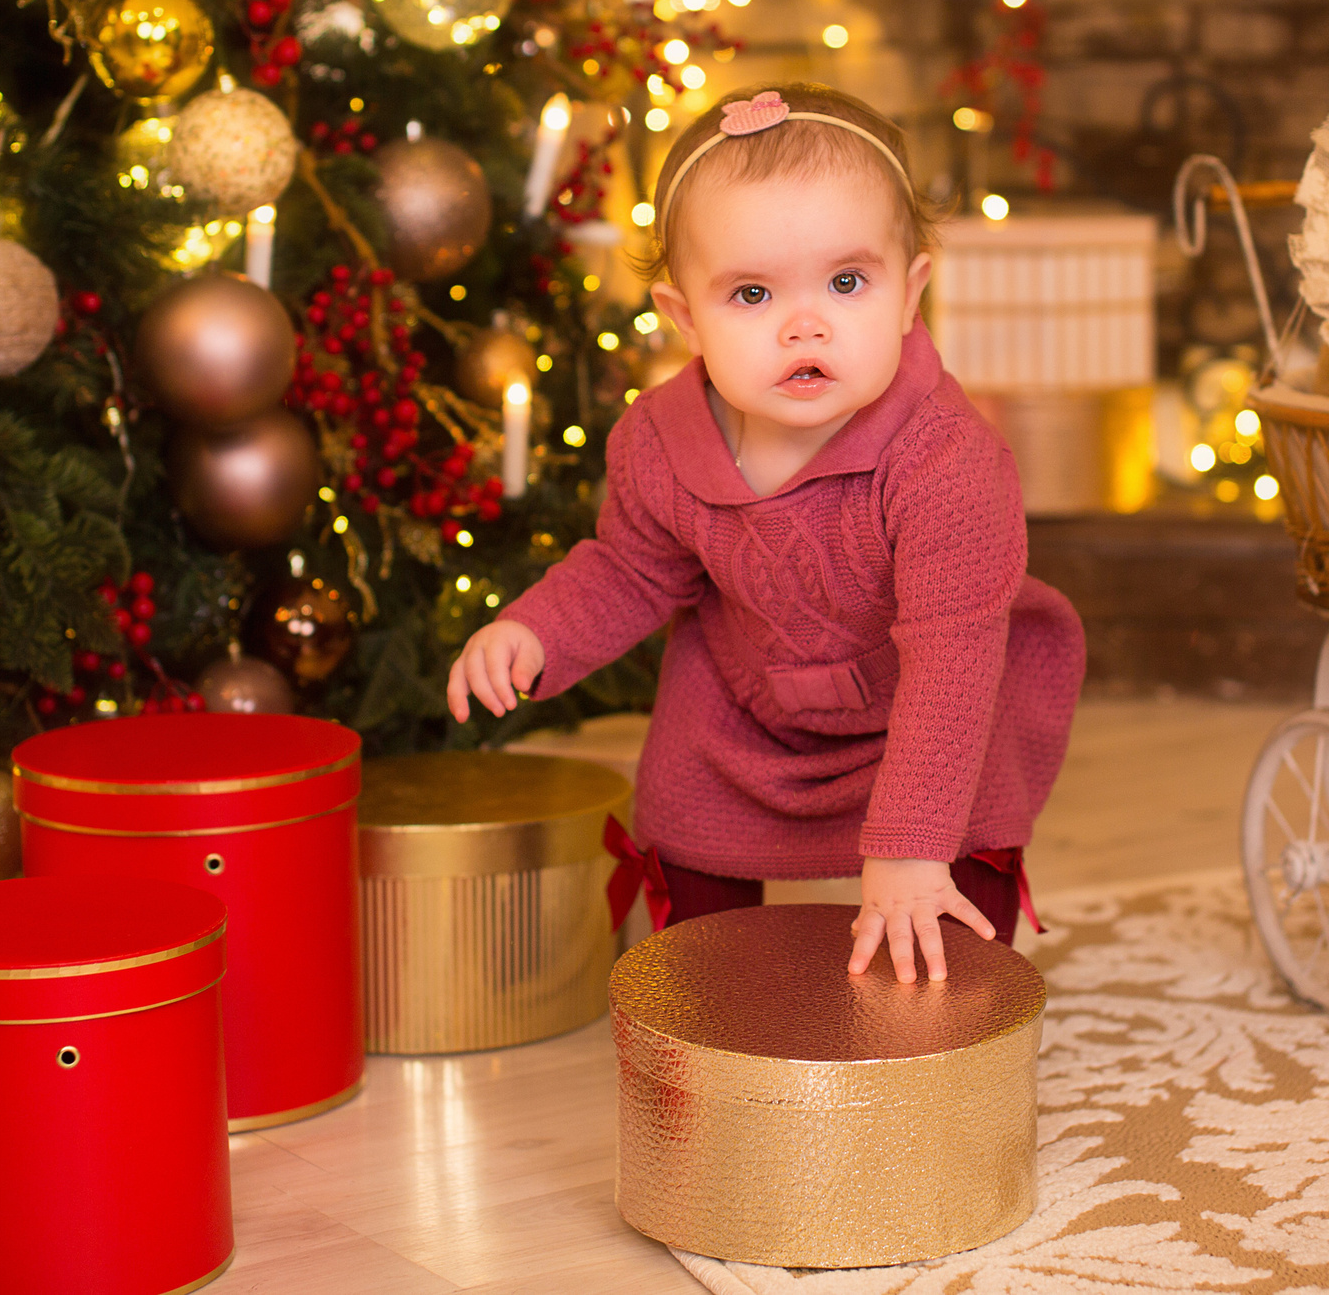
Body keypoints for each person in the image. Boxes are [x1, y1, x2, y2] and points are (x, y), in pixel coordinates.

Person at [447, 82, 1083, 983]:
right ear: (682, 317)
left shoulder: (946, 463)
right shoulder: (661, 444)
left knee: (951, 845)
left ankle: (953, 985)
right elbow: (632, 570)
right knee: (688, 812)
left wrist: (907, 845)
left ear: (912, 293)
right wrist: (533, 630)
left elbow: (951, 661)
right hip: (750, 704)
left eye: (848, 281)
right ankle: (707, 983)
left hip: (924, 703)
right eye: (751, 293)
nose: (805, 322)